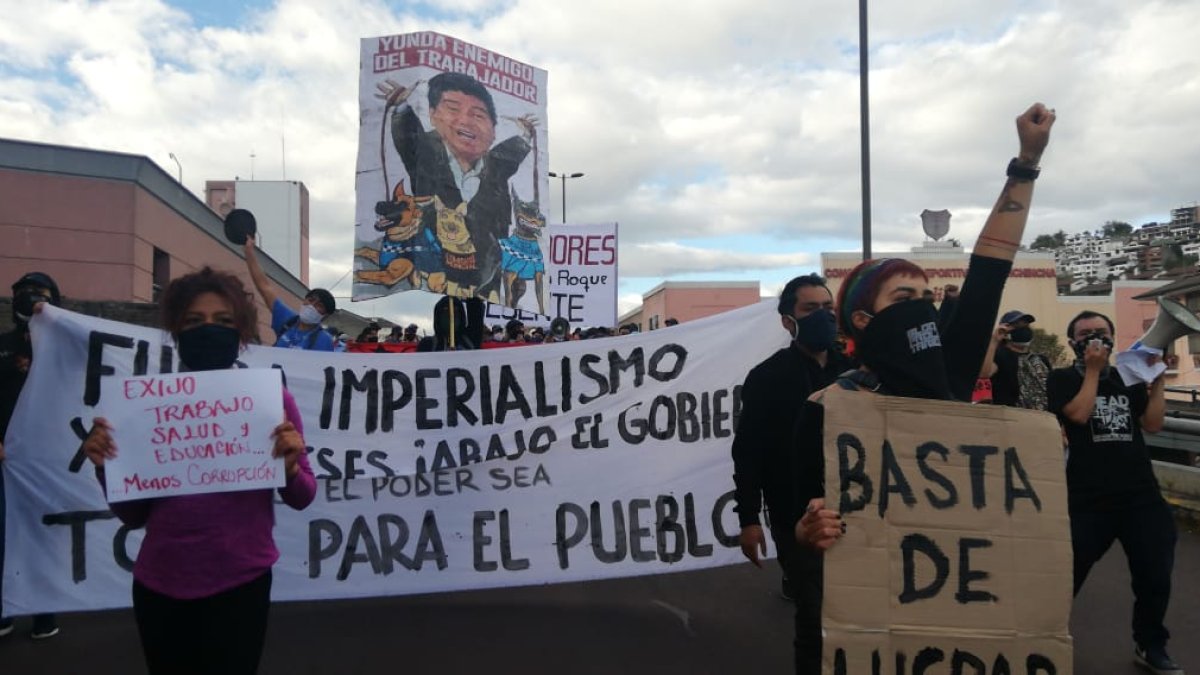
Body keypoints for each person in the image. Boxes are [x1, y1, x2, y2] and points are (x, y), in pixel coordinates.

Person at [792, 103, 1055, 675]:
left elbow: (990, 269)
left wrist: (1027, 163)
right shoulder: (828, 411)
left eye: (928, 298)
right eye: (904, 302)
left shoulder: (951, 375)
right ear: (863, 322)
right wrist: (809, 527)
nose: (925, 314)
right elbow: (799, 515)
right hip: (860, 613)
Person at [80, 267, 316, 675]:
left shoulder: (273, 401)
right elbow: (134, 516)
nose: (209, 330)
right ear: (176, 331)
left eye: (223, 322)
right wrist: (107, 466)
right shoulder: (145, 410)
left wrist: (292, 467)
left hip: (242, 583)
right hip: (160, 585)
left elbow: (303, 496)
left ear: (241, 332)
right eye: (194, 321)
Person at [1046, 310, 1182, 675]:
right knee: (1066, 575)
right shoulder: (1060, 379)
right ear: (1072, 341)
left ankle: (1151, 644)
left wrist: (1156, 380)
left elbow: (1152, 425)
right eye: (1085, 333)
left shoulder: (1128, 377)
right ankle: (1043, 639)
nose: (1094, 337)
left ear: (1112, 336)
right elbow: (1076, 414)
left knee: (1155, 575)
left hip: (1141, 496)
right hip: (1088, 499)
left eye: (1101, 332)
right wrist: (1092, 372)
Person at [731, 274, 850, 615]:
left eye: (828, 307)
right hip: (794, 517)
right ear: (788, 321)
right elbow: (749, 453)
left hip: (855, 511)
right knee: (814, 615)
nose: (823, 316)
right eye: (811, 308)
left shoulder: (857, 373)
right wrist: (749, 520)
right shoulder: (767, 377)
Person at [378, 72, 537, 300]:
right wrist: (402, 107)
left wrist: (526, 135)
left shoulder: (495, 167)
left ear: (493, 130)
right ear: (432, 115)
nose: (466, 120)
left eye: (478, 114)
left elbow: (511, 154)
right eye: (453, 108)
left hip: (483, 281)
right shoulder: (427, 156)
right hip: (436, 275)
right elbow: (409, 139)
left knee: (473, 319)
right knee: (448, 314)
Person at [0, 272, 62, 639]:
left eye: (40, 293)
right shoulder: (3, 345)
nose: (31, 298)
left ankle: (45, 611)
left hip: (48, 461)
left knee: (45, 535)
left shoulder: (67, 345)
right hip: (5, 459)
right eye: (23, 293)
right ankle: (5, 609)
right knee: (4, 535)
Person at [242, 235, 336, 351]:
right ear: (304, 300)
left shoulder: (324, 341)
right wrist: (249, 253)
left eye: (319, 305)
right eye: (310, 300)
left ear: (325, 315)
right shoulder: (288, 320)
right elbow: (264, 287)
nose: (311, 306)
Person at [981, 310, 1051, 409]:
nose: (1024, 330)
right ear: (1005, 330)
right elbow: (985, 374)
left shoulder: (1041, 359)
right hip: (1013, 418)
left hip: (1046, 418)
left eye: (1026, 326)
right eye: (1018, 326)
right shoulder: (999, 355)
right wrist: (994, 341)